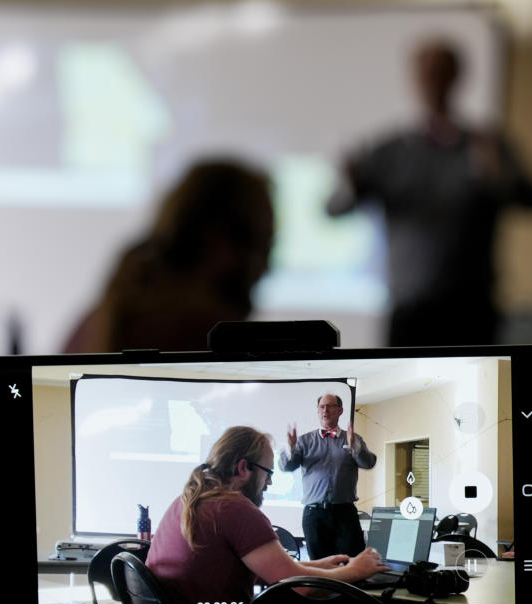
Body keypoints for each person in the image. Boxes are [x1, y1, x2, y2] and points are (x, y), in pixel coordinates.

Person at [327, 39, 532, 347]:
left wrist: (499, 177)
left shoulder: (485, 145)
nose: (433, 82)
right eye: (426, 73)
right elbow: (334, 209)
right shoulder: (388, 151)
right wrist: (351, 183)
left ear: (456, 77)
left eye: (441, 72)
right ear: (414, 78)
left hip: (474, 310)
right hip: (409, 310)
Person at [145, 426, 390, 604]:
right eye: (268, 472)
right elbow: (301, 586)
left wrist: (316, 564)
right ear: (244, 468)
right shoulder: (234, 508)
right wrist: (357, 569)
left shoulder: (189, 500)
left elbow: (267, 569)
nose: (270, 481)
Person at [62, 158, 274, 353]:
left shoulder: (100, 319)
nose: (266, 268)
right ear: (218, 241)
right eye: (263, 244)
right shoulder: (204, 338)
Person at [279, 394, 377, 560]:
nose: (325, 410)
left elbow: (368, 463)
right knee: (319, 566)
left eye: (330, 406)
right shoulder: (304, 441)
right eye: (322, 407)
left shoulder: (353, 438)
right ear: (318, 411)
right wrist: (290, 449)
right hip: (314, 514)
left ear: (340, 411)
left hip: (345, 513)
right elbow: (286, 467)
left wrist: (356, 447)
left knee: (353, 562)